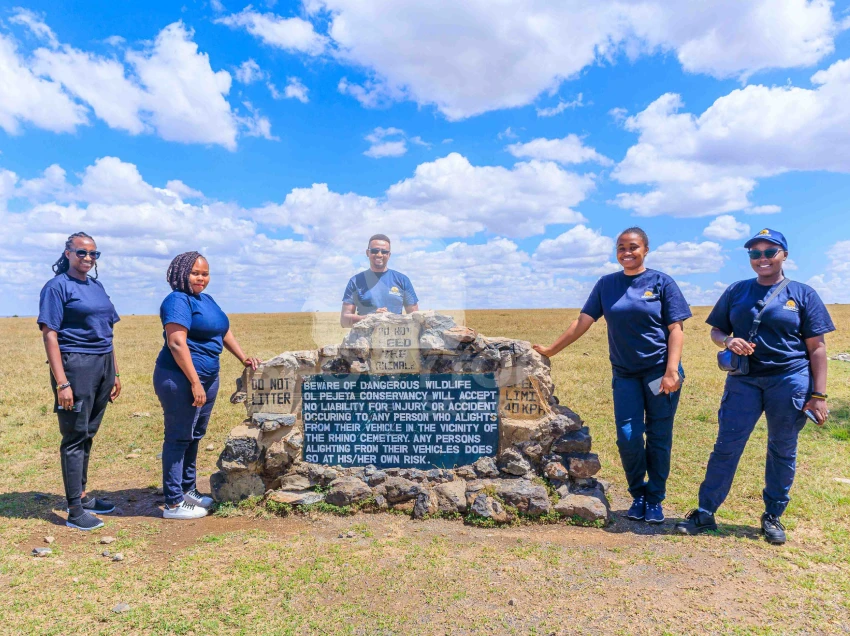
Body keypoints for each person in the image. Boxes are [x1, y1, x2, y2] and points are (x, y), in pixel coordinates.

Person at [675, 229, 834, 545]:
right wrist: (729, 340)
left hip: (789, 381)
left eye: (769, 251)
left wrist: (817, 395)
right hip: (743, 381)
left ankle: (773, 515)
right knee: (726, 446)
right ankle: (705, 512)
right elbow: (717, 331)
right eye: (755, 253)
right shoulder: (737, 291)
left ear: (784, 255)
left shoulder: (803, 294)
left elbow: (817, 347)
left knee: (782, 448)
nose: (762, 258)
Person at [534, 227, 691, 524]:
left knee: (658, 436)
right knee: (628, 437)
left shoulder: (661, 282)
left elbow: (676, 329)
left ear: (645, 249)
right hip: (626, 374)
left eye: (633, 247)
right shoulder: (607, 284)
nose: (627, 252)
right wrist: (551, 349)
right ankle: (638, 493)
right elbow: (583, 320)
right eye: (621, 247)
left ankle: (654, 499)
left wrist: (672, 370)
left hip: (661, 372)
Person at [153, 251, 260, 520]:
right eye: (195, 273)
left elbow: (223, 331)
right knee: (178, 436)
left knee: (195, 434)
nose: (201, 278)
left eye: (205, 273)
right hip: (179, 378)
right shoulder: (177, 300)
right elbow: (176, 342)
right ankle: (174, 502)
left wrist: (243, 356)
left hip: (208, 376)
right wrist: (194, 382)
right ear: (180, 274)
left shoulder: (206, 300)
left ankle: (188, 489)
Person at [38, 232, 121, 531]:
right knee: (74, 435)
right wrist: (62, 382)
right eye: (82, 253)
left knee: (88, 433)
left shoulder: (96, 286)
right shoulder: (56, 287)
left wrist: (116, 373)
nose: (88, 258)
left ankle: (83, 496)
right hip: (76, 365)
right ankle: (74, 511)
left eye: (93, 254)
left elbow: (107, 330)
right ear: (68, 253)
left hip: (103, 365)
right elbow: (50, 334)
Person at [340, 234, 419, 327]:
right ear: (367, 253)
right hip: (364, 339)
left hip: (395, 339)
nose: (379, 255)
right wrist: (371, 318)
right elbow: (344, 321)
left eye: (384, 252)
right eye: (374, 251)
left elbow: (415, 318)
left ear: (389, 255)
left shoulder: (402, 280)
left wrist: (391, 318)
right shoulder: (355, 281)